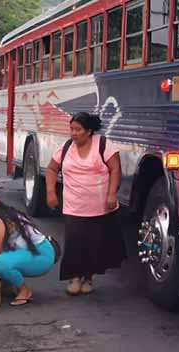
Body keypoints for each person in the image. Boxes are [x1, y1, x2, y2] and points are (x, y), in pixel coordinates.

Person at [44, 112, 124, 296]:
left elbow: (115, 169)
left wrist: (112, 194)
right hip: (73, 206)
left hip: (99, 206)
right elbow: (51, 168)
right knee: (74, 242)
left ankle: (88, 277)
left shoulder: (103, 144)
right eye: (71, 129)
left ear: (89, 131)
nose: (73, 133)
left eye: (77, 130)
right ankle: (74, 277)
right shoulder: (66, 147)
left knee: (93, 244)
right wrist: (50, 192)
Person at [0, 186, 55, 306]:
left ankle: (24, 290)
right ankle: (8, 286)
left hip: (41, 255)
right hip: (25, 252)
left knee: (0, 263)